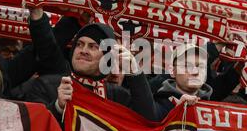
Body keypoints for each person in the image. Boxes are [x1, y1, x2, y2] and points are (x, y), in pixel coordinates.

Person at [25, 22, 157, 123]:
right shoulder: (47, 85)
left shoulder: (117, 96)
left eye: (93, 46)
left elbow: (147, 121)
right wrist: (57, 107)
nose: (84, 50)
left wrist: (135, 74)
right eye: (79, 44)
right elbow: (31, 129)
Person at [154, 43, 212, 121]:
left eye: (201, 67)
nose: (195, 72)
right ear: (172, 71)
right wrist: (178, 110)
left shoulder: (213, 109)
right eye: (187, 66)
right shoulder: (157, 106)